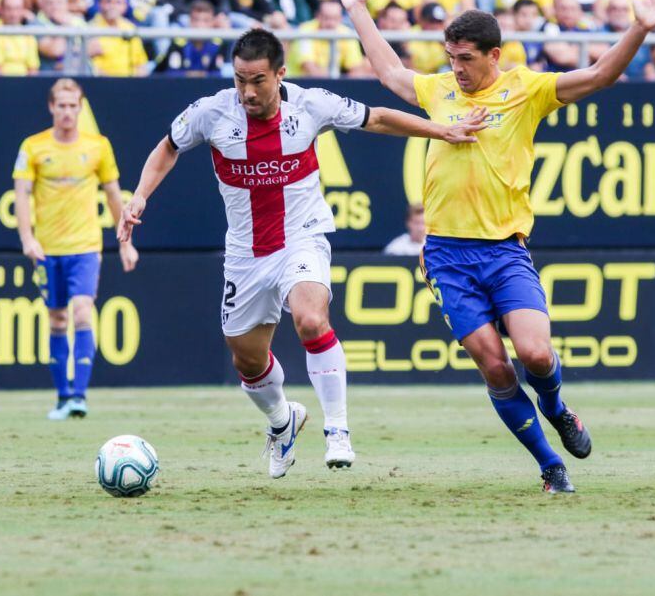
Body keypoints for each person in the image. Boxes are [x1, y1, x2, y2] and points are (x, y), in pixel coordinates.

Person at [339, 0, 655, 493]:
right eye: (450, 58)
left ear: (494, 55)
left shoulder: (526, 89)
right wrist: (358, 10)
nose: (456, 68)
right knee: (495, 368)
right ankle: (551, 466)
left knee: (538, 354)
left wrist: (638, 27)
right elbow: (390, 74)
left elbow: (598, 76)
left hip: (504, 251)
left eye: (466, 59)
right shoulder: (439, 91)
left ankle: (557, 408)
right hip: (448, 256)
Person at [117, 28, 487, 478]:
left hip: (302, 236)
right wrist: (139, 197)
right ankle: (282, 420)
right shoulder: (212, 112)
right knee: (246, 358)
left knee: (311, 318)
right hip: (246, 253)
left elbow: (379, 118)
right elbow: (167, 148)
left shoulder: (311, 105)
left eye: (257, 80)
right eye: (239, 80)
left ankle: (338, 431)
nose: (247, 92)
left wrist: (442, 131)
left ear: (280, 74)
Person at [13, 78, 137, 420]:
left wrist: (124, 242)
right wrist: (28, 238)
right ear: (52, 107)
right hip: (48, 248)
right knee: (57, 319)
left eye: (73, 105)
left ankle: (80, 396)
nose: (68, 112)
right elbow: (21, 194)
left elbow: (113, 195)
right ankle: (63, 397)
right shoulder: (33, 147)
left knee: (83, 311)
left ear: (80, 108)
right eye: (62, 105)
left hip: (85, 245)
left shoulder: (98, 146)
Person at [286, 0, 367, 77]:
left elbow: (356, 70)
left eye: (335, 18)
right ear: (317, 16)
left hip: (327, 83)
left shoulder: (346, 33)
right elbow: (310, 69)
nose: (331, 23)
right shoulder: (305, 31)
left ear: (341, 18)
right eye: (326, 18)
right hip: (298, 83)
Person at [153, 0, 227, 76]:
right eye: (196, 20)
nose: (200, 25)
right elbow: (172, 75)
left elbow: (217, 75)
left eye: (206, 21)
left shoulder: (216, 45)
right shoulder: (178, 43)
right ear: (189, 21)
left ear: (212, 22)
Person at [87, 0, 148, 75]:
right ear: (100, 3)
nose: (113, 6)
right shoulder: (89, 29)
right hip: (100, 83)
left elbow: (141, 65)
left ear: (125, 6)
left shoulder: (130, 28)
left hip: (129, 83)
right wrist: (86, 53)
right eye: (108, 1)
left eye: (118, 2)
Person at [0, 0, 39, 75]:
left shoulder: (27, 33)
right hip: (1, 84)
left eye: (17, 8)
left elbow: (33, 69)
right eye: (9, 8)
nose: (13, 14)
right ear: (1, 10)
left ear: (23, 10)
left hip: (25, 84)